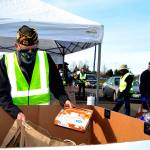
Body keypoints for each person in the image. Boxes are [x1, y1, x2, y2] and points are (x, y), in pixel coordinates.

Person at [0, 25, 74, 122]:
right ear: (17, 46)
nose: (30, 53)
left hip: (41, 115)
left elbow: (57, 85)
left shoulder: (45, 59)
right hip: (15, 114)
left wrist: (64, 99)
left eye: (34, 50)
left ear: (37, 45)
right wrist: (15, 111)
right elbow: (2, 94)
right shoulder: (6, 61)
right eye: (25, 50)